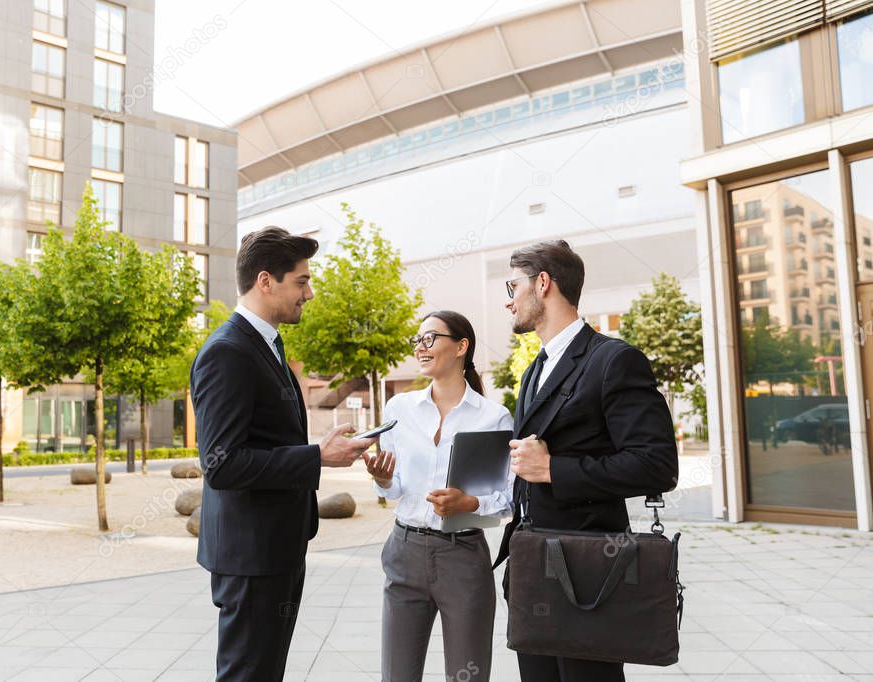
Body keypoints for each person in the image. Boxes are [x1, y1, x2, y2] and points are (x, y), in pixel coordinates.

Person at [191, 226, 376, 682]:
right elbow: (221, 464)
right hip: (251, 556)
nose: (309, 293)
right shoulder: (228, 352)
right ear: (265, 281)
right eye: (302, 281)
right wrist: (317, 457)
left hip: (276, 548)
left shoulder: (266, 346)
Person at [495, 240, 678, 682]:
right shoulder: (535, 369)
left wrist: (554, 469)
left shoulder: (614, 360)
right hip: (532, 568)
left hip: (589, 574)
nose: (508, 299)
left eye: (513, 285)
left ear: (543, 284)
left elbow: (657, 465)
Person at [364, 310, 513, 681]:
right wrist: (383, 480)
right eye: (417, 340)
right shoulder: (401, 409)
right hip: (404, 550)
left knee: (467, 674)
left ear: (461, 346)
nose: (421, 347)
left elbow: (510, 496)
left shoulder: (493, 417)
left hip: (462, 556)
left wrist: (471, 504)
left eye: (430, 338)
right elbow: (395, 486)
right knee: (397, 675)